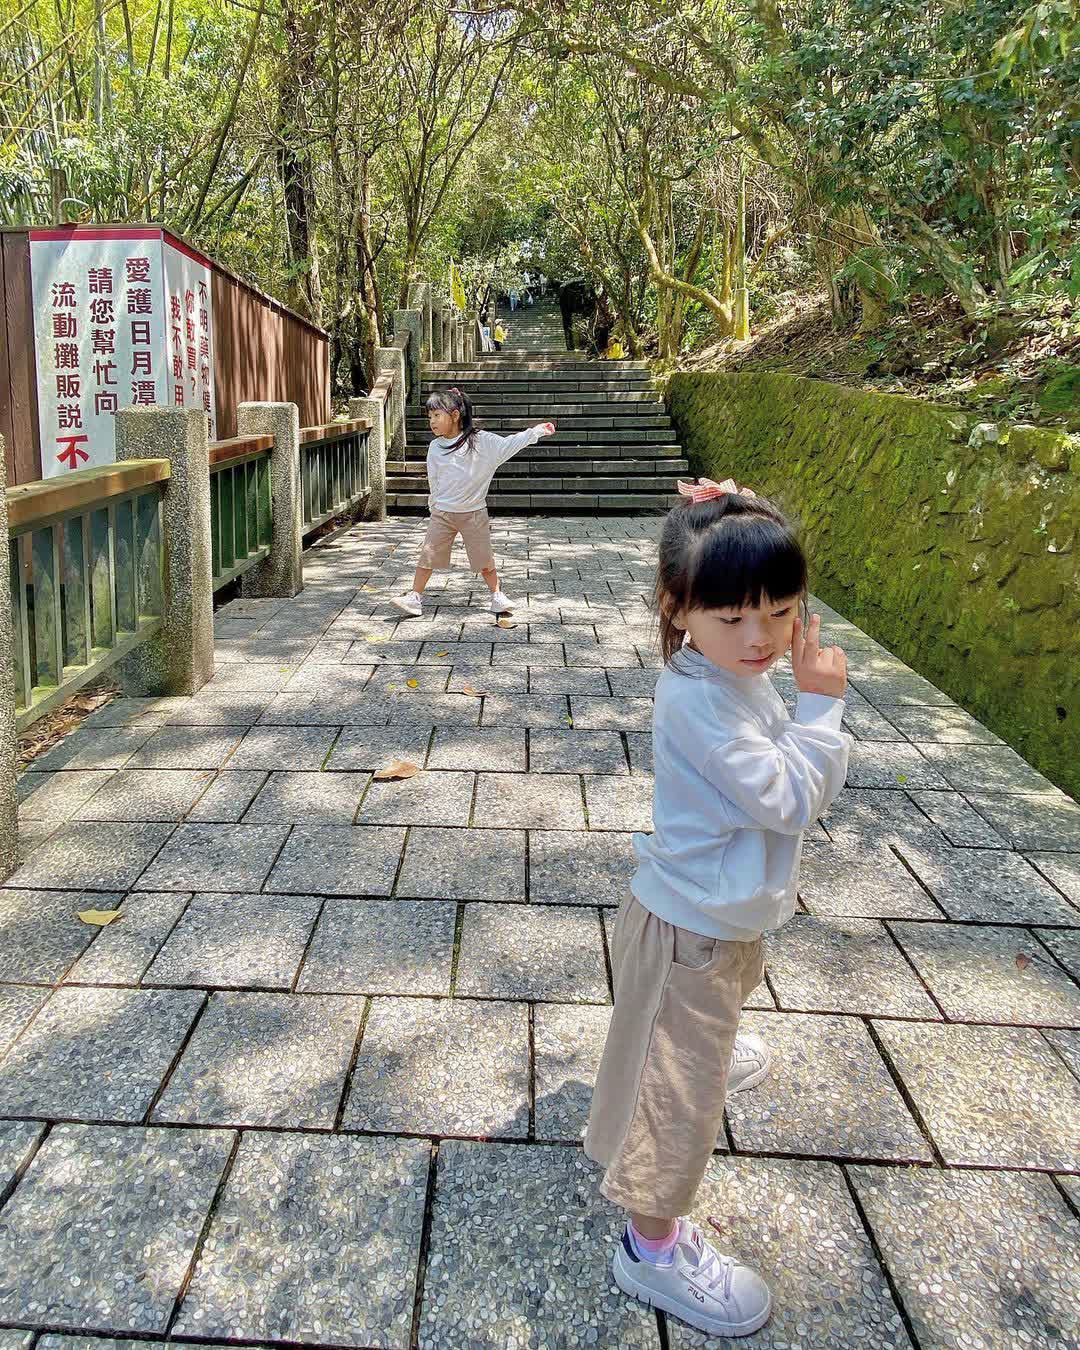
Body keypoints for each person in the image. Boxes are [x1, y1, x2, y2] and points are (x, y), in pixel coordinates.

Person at [585, 478, 851, 1338]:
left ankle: (694, 1048)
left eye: (780, 612)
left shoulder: (727, 673)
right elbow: (784, 797)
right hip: (690, 929)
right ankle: (651, 1247)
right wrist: (823, 707)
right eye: (733, 616)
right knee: (680, 1101)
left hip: (721, 918)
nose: (762, 637)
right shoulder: (699, 698)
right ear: (678, 609)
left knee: (704, 1019)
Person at [392, 388, 556, 617]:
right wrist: (433, 504)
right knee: (427, 555)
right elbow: (434, 479)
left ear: (455, 415)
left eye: (437, 415)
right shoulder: (435, 447)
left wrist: (536, 432)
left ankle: (497, 596)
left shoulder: (482, 442)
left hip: (473, 513)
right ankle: (415, 597)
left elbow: (510, 443)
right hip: (443, 513)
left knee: (484, 558)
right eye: (429, 417)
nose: (432, 422)